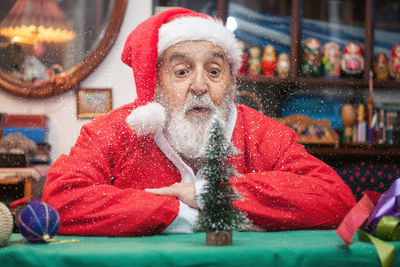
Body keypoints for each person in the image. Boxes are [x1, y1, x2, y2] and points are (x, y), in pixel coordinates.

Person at [42, 8, 356, 237]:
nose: (199, 86)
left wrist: (207, 193)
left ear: (232, 85)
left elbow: (335, 198)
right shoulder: (116, 130)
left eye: (214, 71)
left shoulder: (261, 133)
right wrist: (178, 212)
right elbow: (61, 199)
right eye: (181, 71)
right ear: (155, 83)